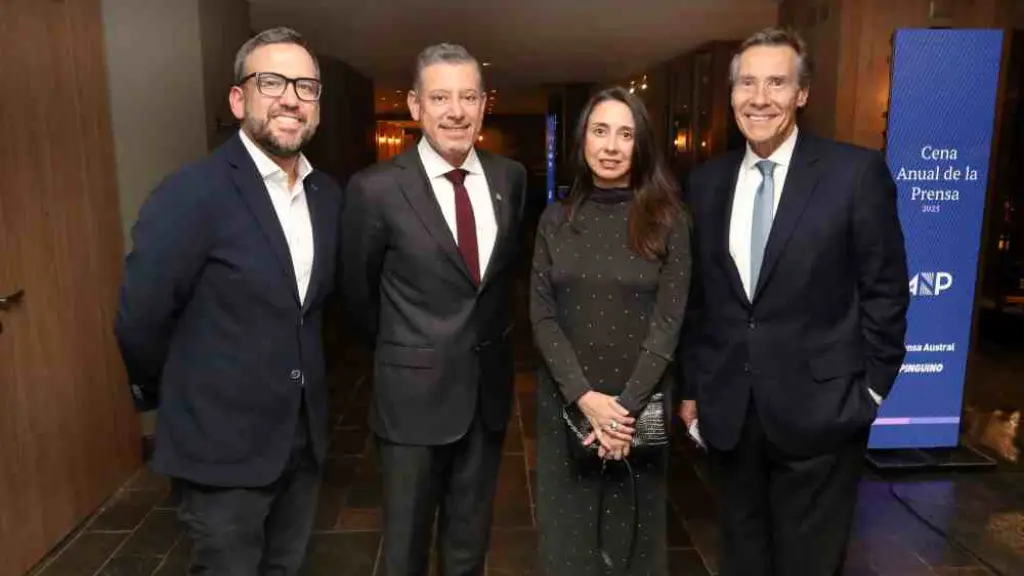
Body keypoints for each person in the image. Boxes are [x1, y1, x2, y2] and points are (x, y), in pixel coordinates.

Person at [679, 27, 909, 575]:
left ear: (801, 94)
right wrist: (692, 391)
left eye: (777, 83)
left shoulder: (854, 174)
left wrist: (870, 392)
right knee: (741, 559)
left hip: (823, 415)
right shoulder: (706, 183)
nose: (760, 98)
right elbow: (698, 301)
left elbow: (886, 290)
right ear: (732, 94)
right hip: (731, 415)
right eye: (748, 84)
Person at [114, 27, 341, 575]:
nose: (290, 97)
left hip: (301, 442)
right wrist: (179, 396)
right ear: (239, 99)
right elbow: (140, 318)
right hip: (218, 450)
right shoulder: (192, 193)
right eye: (272, 82)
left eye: (306, 87)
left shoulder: (327, 195)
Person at [340, 43, 527, 576]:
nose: (456, 111)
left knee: (469, 549)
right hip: (411, 404)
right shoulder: (374, 190)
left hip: (486, 398)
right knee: (405, 553)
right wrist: (409, 355)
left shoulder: (509, 179)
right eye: (440, 96)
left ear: (485, 103)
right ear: (415, 105)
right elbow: (357, 298)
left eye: (468, 96)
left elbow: (498, 281)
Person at [531, 86, 692, 575]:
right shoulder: (555, 220)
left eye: (625, 134)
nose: (611, 146)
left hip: (637, 400)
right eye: (600, 131)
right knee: (568, 542)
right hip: (565, 398)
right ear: (582, 140)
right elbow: (540, 314)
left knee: (633, 545)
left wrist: (621, 413)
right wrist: (585, 399)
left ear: (640, 144)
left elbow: (669, 322)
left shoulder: (670, 220)